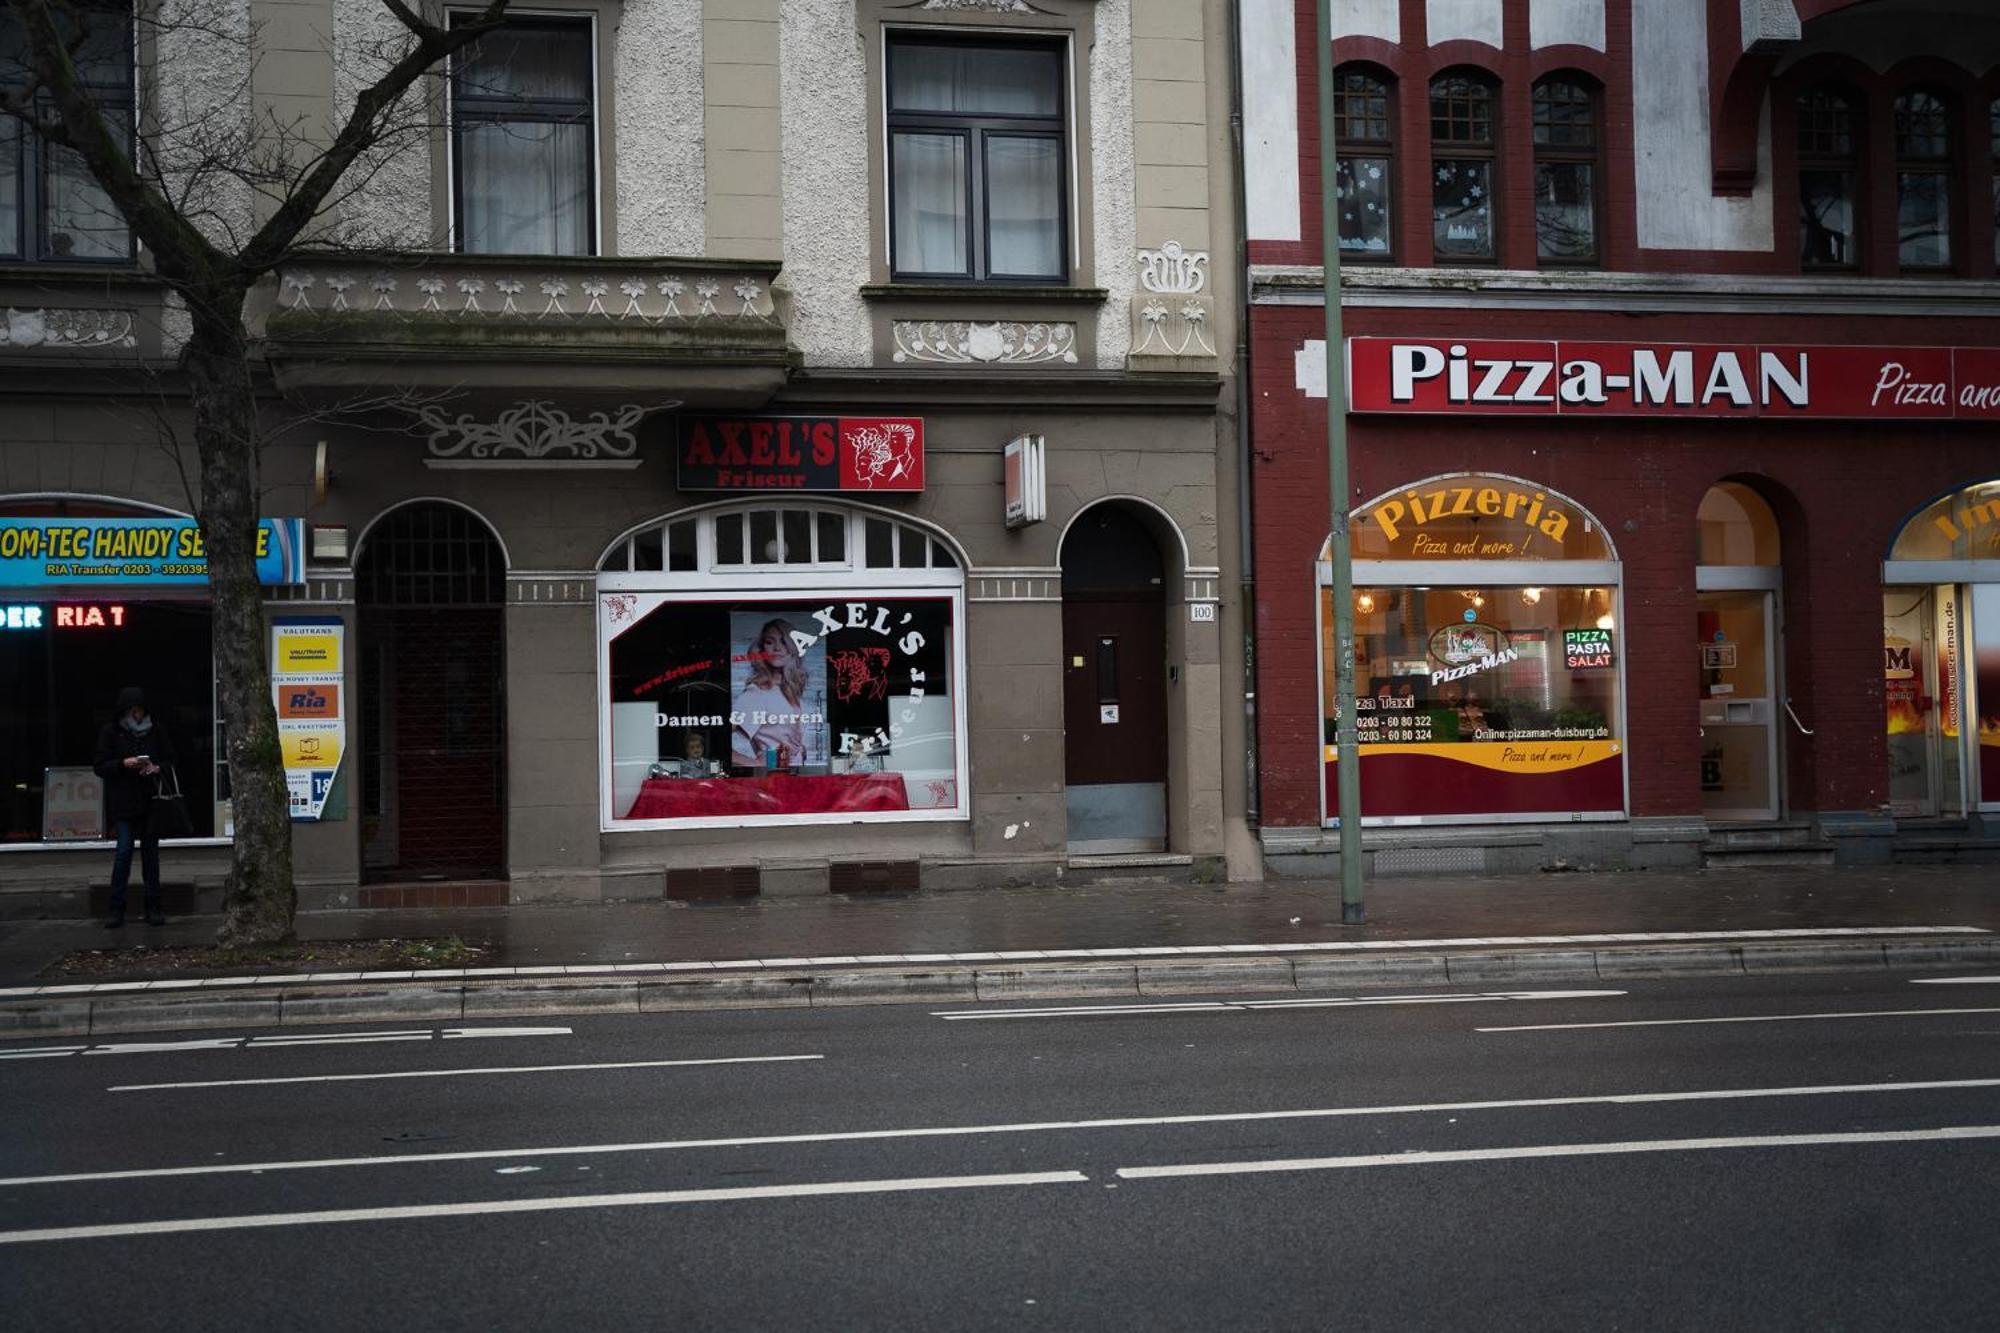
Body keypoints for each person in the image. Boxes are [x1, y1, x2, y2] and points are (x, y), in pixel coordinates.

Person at [93, 687, 174, 928]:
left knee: (151, 858)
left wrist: (157, 767)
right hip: (124, 802)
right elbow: (99, 765)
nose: (136, 716)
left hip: (151, 801)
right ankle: (116, 909)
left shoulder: (156, 730)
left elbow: (172, 758)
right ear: (124, 712)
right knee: (123, 854)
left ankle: (154, 907)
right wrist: (122, 763)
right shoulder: (111, 732)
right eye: (132, 711)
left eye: (139, 711)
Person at [731, 618, 816, 770]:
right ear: (762, 650)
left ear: (792, 648)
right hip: (772, 775)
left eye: (784, 642)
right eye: (770, 642)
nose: (777, 648)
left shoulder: (789, 690)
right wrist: (755, 763)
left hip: (796, 774)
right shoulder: (756, 693)